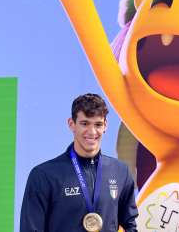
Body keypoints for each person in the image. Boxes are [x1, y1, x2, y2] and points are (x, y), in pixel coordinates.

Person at [20, 93, 138, 232]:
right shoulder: (44, 175)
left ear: (105, 125)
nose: (92, 131)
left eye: (98, 124)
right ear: (72, 124)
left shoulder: (120, 172)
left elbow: (130, 225)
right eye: (85, 123)